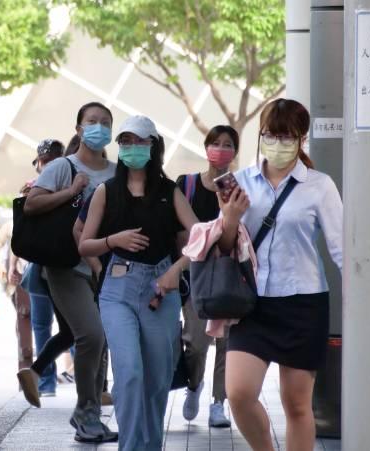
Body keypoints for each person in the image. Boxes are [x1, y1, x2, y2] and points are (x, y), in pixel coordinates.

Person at [217, 98, 342, 451]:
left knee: (297, 404)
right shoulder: (240, 182)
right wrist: (230, 217)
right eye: (270, 135)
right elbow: (226, 245)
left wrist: (359, 299)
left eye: (286, 136)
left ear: (301, 139)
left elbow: (340, 248)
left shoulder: (319, 186)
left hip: (303, 303)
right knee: (239, 393)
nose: (277, 143)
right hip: (251, 303)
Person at [79, 115, 198, 451]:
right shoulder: (106, 190)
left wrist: (176, 270)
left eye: (139, 141)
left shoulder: (168, 191)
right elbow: (84, 244)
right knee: (129, 373)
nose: (131, 148)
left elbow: (200, 237)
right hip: (117, 290)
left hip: (161, 289)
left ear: (153, 145)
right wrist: (112, 240)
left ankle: (150, 446)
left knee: (158, 381)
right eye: (125, 141)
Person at [19, 102, 118, 443]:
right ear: (78, 129)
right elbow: (31, 204)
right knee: (91, 335)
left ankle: (93, 414)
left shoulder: (117, 172)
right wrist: (72, 191)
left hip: (105, 270)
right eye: (92, 122)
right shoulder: (63, 166)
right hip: (65, 266)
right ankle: (85, 412)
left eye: (105, 123)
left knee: (101, 339)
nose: (99, 128)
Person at [175, 125, 240, 428]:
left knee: (227, 343)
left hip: (228, 275)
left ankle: (218, 403)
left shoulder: (239, 188)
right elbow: (177, 232)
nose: (221, 149)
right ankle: (193, 385)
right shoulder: (186, 185)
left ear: (234, 152)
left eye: (227, 144)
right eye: (215, 143)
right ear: (205, 148)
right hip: (195, 276)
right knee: (197, 343)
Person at [20, 139, 65, 397]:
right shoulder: (34, 190)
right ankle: (46, 381)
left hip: (52, 265)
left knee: (65, 327)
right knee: (46, 325)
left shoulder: (38, 190)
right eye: (42, 162)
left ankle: (46, 380)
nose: (44, 166)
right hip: (42, 266)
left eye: (47, 161)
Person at [0, 220, 34, 371]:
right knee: (24, 319)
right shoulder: (12, 224)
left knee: (30, 321)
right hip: (18, 279)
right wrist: (2, 268)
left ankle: (30, 366)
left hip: (34, 275)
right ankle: (27, 364)